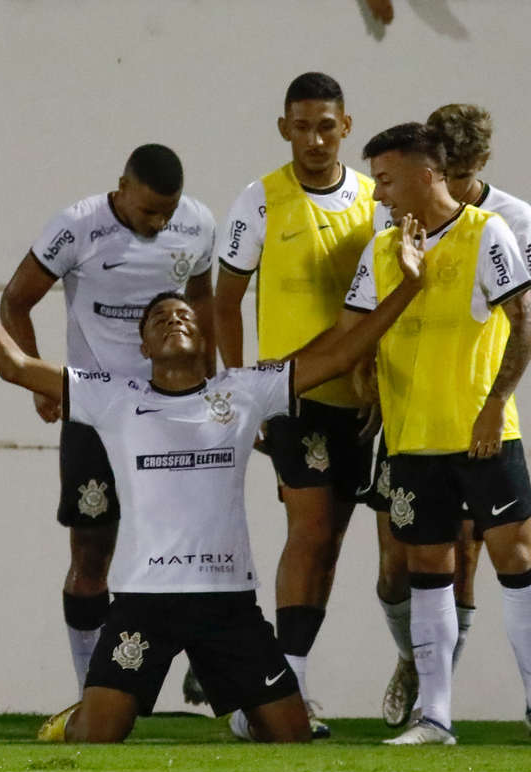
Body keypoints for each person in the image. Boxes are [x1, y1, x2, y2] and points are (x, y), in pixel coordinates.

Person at [0, 214, 430, 743]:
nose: (175, 321)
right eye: (160, 321)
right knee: (97, 738)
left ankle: (245, 711)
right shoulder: (112, 397)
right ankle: (75, 718)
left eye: (186, 317)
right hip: (143, 600)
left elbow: (340, 355)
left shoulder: (244, 391)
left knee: (291, 737)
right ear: (143, 348)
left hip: (226, 600)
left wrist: (410, 286)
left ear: (205, 339)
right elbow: (14, 365)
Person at [336, 122, 531, 746]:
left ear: (427, 175)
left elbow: (526, 320)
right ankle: (436, 717)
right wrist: (364, 372)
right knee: (428, 567)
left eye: (387, 180)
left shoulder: (487, 233)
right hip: (412, 438)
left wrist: (495, 403)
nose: (378, 194)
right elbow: (355, 329)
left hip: (482, 433)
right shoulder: (382, 248)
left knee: (515, 559)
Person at [0, 144, 215, 727]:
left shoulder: (198, 223)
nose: (159, 224)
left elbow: (202, 302)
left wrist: (211, 385)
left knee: (191, 545)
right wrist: (45, 385)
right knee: (93, 551)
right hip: (96, 411)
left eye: (166, 213)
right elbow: (15, 301)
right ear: (121, 188)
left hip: (172, 411)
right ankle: (90, 687)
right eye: (148, 212)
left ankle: (215, 659)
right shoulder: (76, 226)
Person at [212, 71, 379, 737]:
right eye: (302, 125)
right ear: (283, 127)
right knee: (307, 533)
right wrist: (242, 388)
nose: (314, 138)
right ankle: (280, 695)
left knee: (333, 540)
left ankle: (292, 683)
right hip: (295, 397)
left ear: (347, 125)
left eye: (327, 125)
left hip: (360, 399)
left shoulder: (374, 200)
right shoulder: (259, 201)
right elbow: (225, 298)